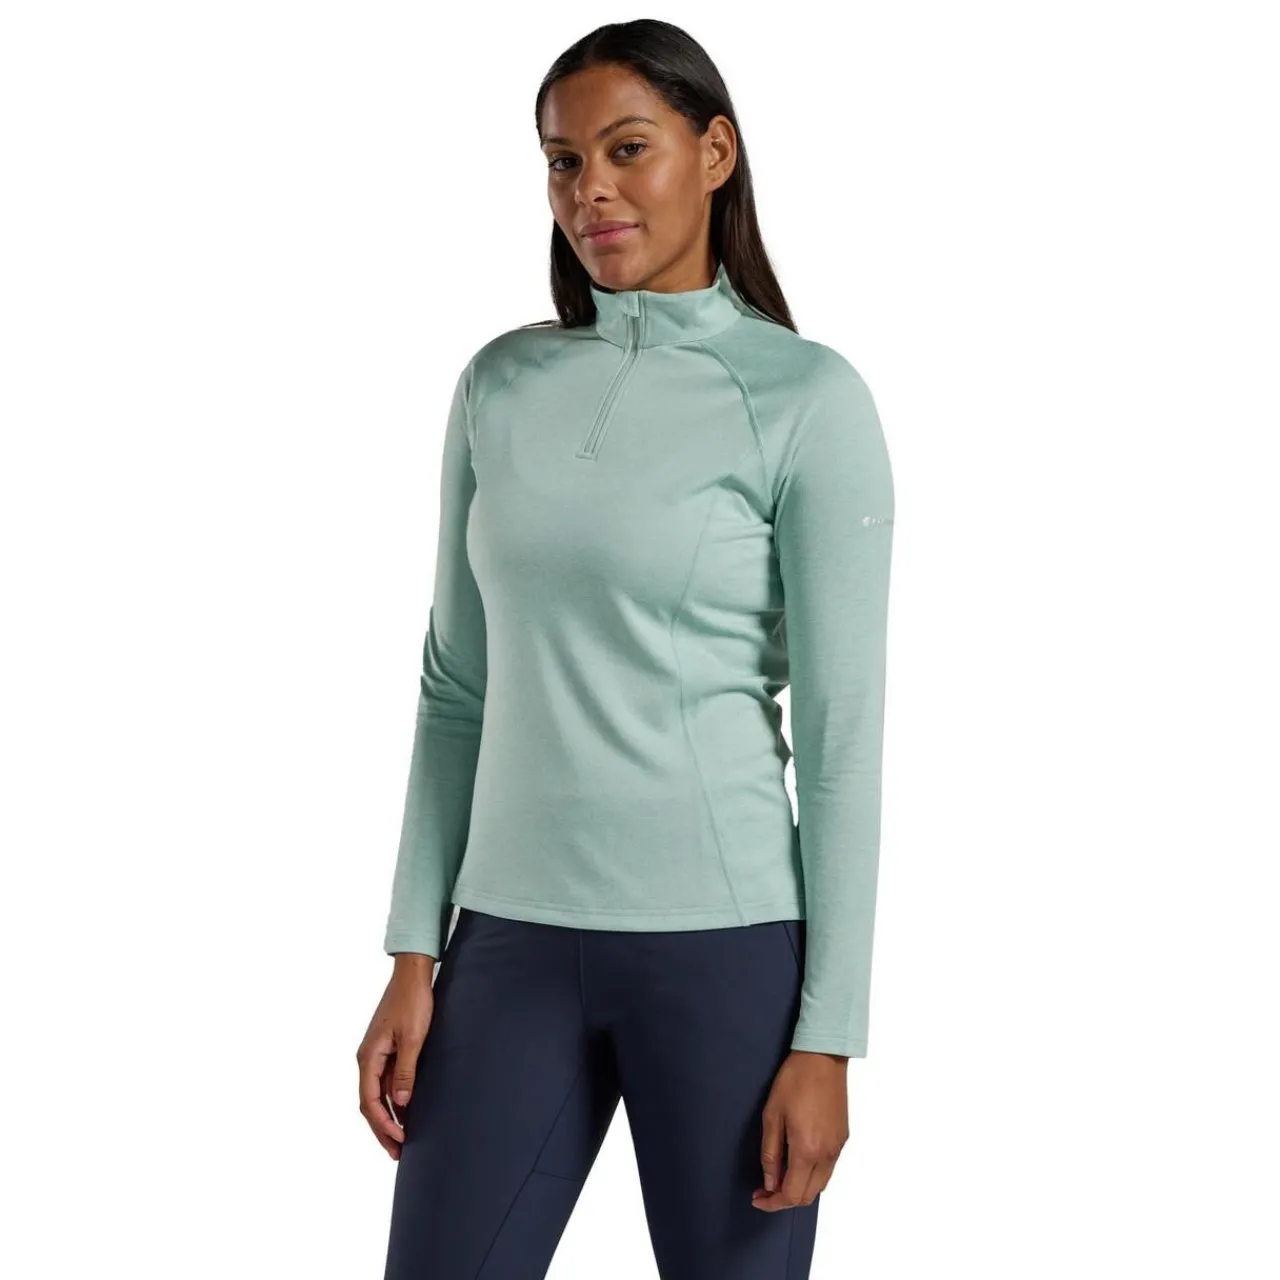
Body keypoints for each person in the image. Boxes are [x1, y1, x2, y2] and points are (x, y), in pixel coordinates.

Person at [358, 19, 896, 1280]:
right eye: (561, 160)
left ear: (713, 154)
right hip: (505, 944)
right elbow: (454, 687)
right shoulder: (497, 385)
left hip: (723, 949)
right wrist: (410, 948)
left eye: (625, 148)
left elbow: (839, 736)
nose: (587, 188)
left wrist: (828, 1036)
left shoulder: (806, 400)